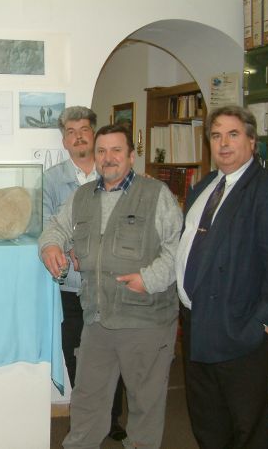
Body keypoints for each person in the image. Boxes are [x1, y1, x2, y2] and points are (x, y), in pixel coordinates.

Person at [40, 124, 183, 448]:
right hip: (97, 318)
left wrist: (148, 279)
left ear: (131, 156)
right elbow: (56, 227)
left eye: (116, 150)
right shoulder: (82, 196)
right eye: (101, 151)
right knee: (86, 402)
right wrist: (50, 246)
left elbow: (178, 248)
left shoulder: (155, 194)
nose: (108, 157)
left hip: (146, 320)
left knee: (145, 405)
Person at [176, 105, 268, 448]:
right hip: (197, 325)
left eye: (233, 134)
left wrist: (263, 324)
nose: (223, 143)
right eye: (216, 135)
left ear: (251, 141)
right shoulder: (203, 187)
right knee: (208, 424)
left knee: (248, 430)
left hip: (241, 331)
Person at [43, 106, 126, 441]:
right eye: (70, 132)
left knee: (113, 353)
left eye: (84, 130)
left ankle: (112, 417)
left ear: (94, 134)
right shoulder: (51, 180)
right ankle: (85, 415)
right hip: (71, 287)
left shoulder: (114, 171)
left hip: (111, 285)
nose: (78, 137)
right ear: (64, 140)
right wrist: (67, 251)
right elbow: (47, 226)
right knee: (76, 354)